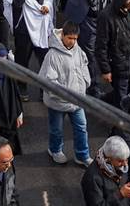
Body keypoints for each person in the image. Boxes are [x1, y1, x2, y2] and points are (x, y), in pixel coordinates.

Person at [39, 20, 92, 166]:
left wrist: (85, 83)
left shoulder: (78, 51)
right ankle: (55, 150)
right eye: (70, 38)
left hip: (77, 100)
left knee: (82, 128)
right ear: (62, 35)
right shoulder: (52, 55)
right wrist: (65, 95)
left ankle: (82, 155)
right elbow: (48, 81)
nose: (72, 42)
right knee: (56, 130)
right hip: (58, 102)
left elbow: (84, 66)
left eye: (75, 39)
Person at [80, 136, 130, 206]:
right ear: (108, 159)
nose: (125, 164)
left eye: (126, 159)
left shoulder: (119, 164)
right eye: (120, 161)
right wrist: (120, 194)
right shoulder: (91, 178)